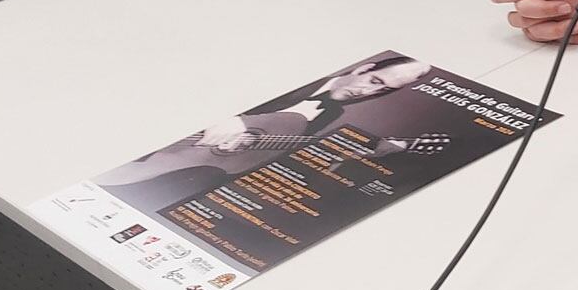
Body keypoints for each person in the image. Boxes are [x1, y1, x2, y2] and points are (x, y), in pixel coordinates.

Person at [97, 56, 432, 210]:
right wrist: (233, 117)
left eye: (382, 91)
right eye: (374, 81)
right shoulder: (299, 63)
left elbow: (271, 147)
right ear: (364, 67)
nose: (367, 91)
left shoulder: (333, 113)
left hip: (191, 172)